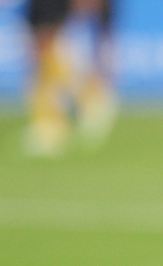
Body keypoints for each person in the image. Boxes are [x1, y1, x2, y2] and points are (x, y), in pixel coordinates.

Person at [23, 0, 117, 156]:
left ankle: (59, 123)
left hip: (53, 15)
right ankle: (55, 123)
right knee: (46, 63)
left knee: (50, 58)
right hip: (42, 15)